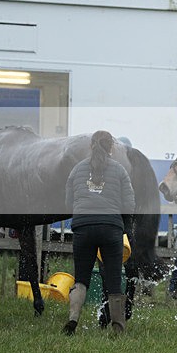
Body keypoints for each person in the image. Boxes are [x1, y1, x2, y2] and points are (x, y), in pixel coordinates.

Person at [63, 131, 135, 335]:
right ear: (111, 147)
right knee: (113, 280)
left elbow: (69, 203)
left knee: (81, 279)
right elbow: (129, 205)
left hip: (83, 228)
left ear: (91, 146)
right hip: (111, 229)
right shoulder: (120, 170)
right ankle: (118, 328)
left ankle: (73, 321)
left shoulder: (77, 169)